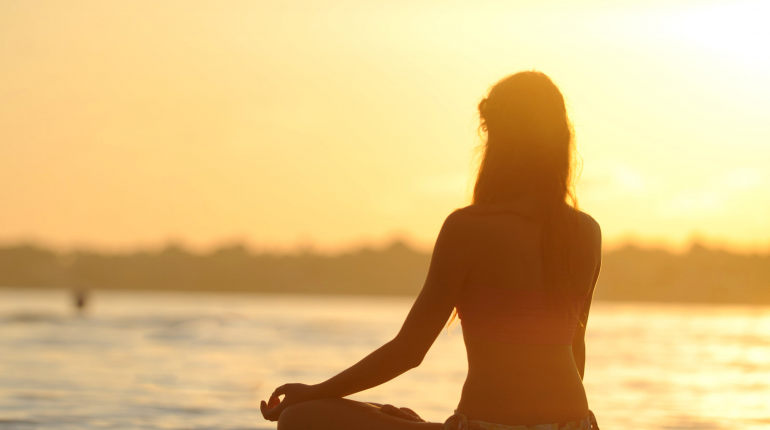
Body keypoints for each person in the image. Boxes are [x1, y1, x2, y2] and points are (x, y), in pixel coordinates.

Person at [260, 71, 602, 430]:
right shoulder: (585, 232)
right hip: (575, 426)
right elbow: (574, 354)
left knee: (300, 418)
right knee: (387, 412)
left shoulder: (469, 228)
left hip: (483, 425)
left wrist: (314, 391)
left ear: (498, 138)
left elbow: (408, 352)